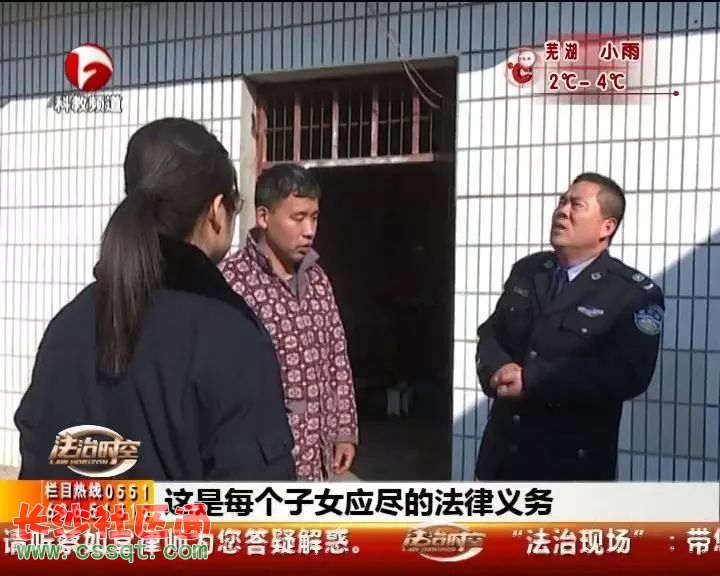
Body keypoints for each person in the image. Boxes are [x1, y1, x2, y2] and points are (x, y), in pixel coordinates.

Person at [14, 118, 297, 481]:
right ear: (216, 210)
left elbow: (38, 469)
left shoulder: (66, 327)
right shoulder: (229, 335)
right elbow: (258, 500)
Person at [474, 172, 664, 481]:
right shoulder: (528, 271)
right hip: (503, 459)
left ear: (607, 227)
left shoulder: (631, 293)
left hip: (569, 466)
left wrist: (532, 380)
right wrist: (496, 369)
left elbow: (628, 373)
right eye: (562, 202)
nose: (562, 211)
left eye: (577, 205)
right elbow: (492, 332)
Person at [220, 163, 359, 481]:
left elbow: (337, 358)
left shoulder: (318, 279)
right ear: (264, 217)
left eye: (314, 217)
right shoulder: (233, 283)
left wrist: (344, 430)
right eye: (298, 218)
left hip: (319, 458)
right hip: (263, 464)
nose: (309, 230)